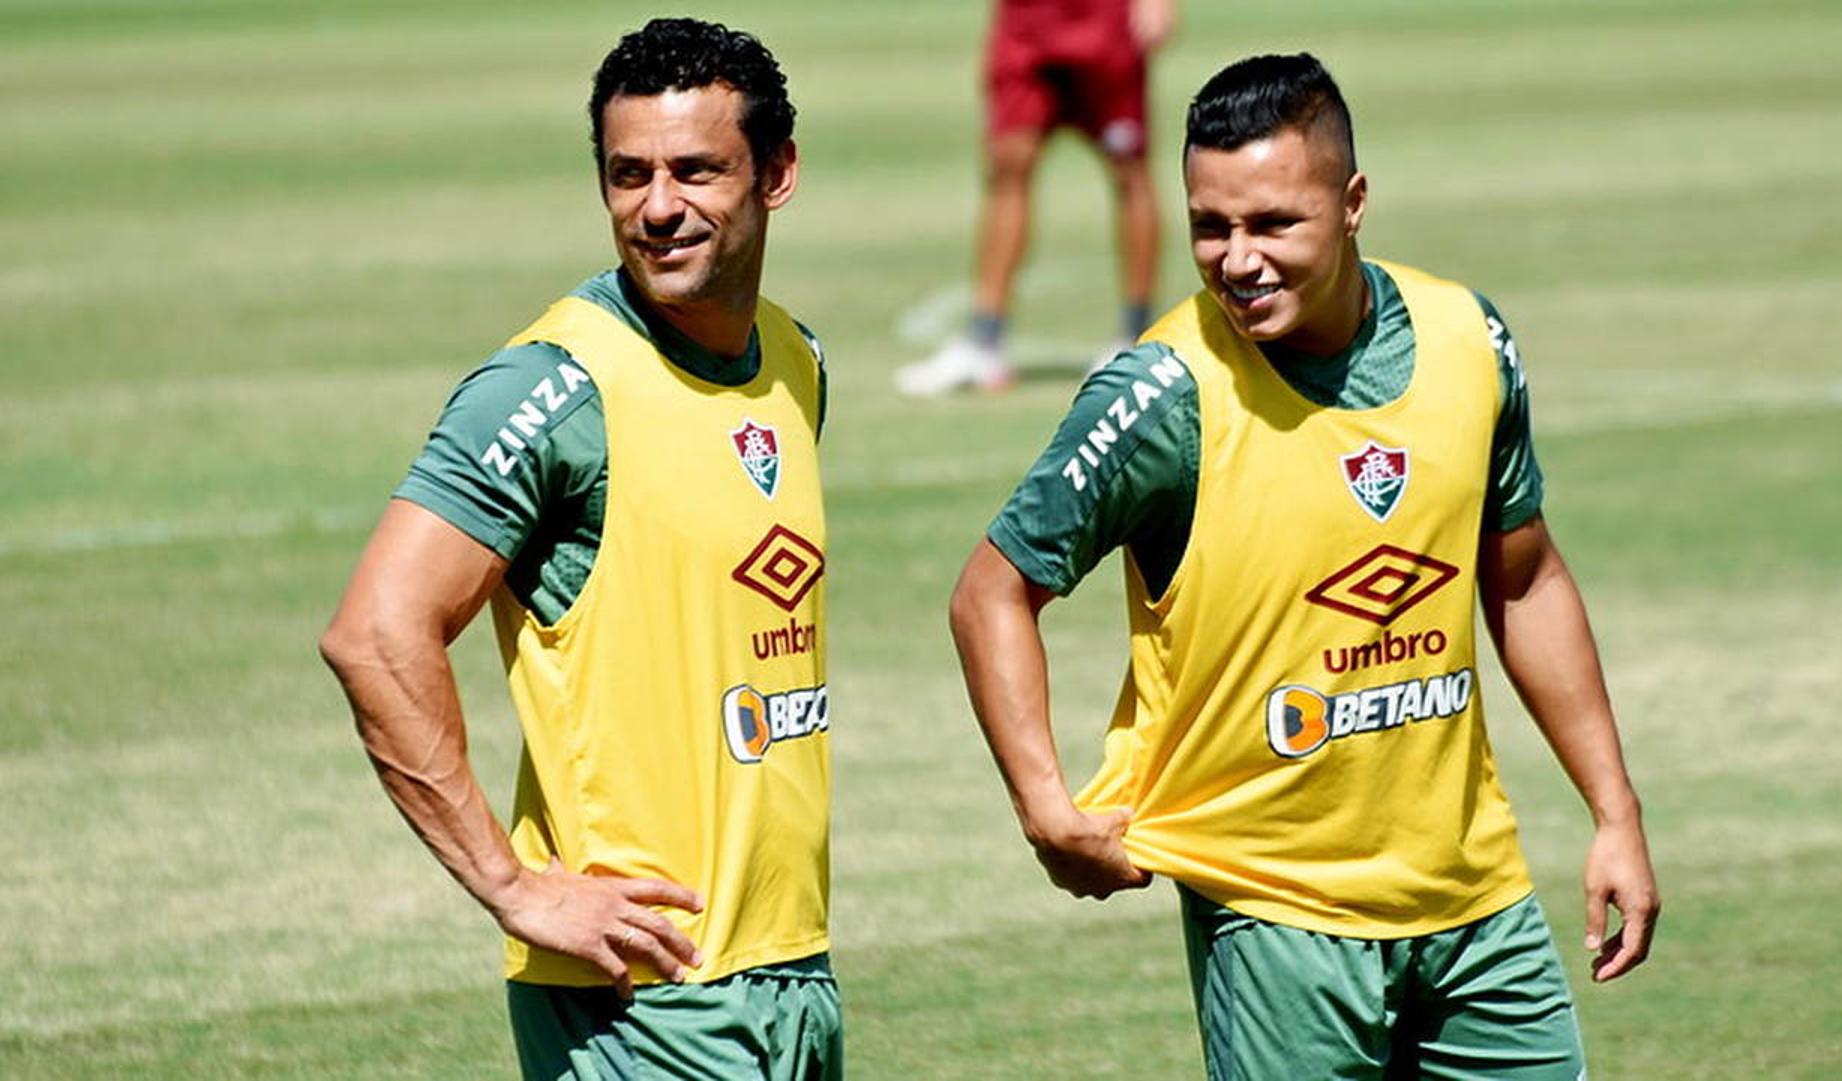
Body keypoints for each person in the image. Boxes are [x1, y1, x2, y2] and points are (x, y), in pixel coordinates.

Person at [949, 53, 1659, 1079]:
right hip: (1275, 916)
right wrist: (1046, 806)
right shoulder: (1163, 392)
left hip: (1480, 906)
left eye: (1274, 223)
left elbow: (1525, 577)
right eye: (1210, 226)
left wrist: (1614, 815)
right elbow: (992, 592)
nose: (1238, 259)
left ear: (1353, 201)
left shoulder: (1470, 337)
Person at [319, 19, 840, 1080]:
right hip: (637, 998)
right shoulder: (551, 389)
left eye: (697, 170)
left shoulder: (795, 360)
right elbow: (375, 634)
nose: (657, 207)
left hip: (791, 968)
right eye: (628, 174)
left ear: (777, 174)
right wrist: (514, 886)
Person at [894, 0, 1178, 395]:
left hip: (1104, 21)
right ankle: (984, 339)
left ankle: (1136, 334)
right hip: (1026, 22)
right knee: (1007, 165)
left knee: (1129, 169)